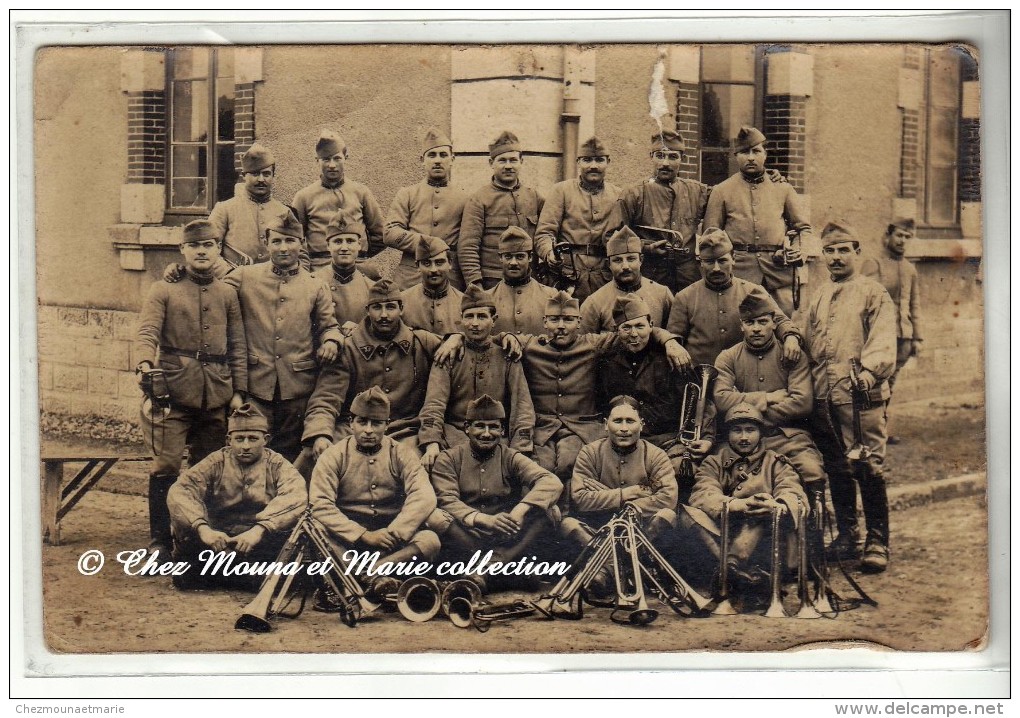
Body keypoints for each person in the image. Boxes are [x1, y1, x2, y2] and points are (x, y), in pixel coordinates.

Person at [134, 219, 248, 563]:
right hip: (171, 390)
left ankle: (196, 539)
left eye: (209, 245)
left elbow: (238, 345)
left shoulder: (227, 292)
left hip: (215, 392)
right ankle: (160, 541)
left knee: (207, 468)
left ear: (218, 250)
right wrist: (143, 364)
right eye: (195, 245)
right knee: (165, 466)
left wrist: (239, 391)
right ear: (182, 250)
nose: (202, 251)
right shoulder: (163, 289)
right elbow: (147, 332)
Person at [515, 291, 689, 492]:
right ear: (544, 322)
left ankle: (570, 515)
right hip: (543, 427)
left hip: (579, 427)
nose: (561, 326)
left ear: (579, 322)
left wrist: (670, 341)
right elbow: (495, 337)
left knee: (570, 465)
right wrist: (508, 337)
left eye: (568, 320)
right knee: (537, 468)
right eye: (554, 320)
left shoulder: (593, 344)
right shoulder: (529, 344)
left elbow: (638, 330)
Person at [804, 221, 897, 572]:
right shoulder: (819, 295)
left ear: (857, 253)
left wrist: (871, 372)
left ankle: (877, 541)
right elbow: (809, 341)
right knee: (837, 467)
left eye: (844, 250)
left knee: (867, 465)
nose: (836, 257)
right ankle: (847, 535)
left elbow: (884, 340)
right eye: (830, 250)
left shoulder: (873, 292)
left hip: (860, 397)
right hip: (825, 397)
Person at [222, 210, 342, 463]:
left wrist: (332, 341)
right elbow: (211, 292)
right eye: (276, 241)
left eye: (290, 240)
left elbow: (329, 325)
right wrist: (178, 272)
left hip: (297, 387)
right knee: (251, 455)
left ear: (302, 244)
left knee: (288, 458)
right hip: (256, 386)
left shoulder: (314, 285)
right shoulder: (244, 277)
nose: (284, 248)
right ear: (266, 244)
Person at [300, 279, 445, 472]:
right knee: (317, 456)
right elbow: (326, 398)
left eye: (390, 307)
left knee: (419, 466)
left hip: (405, 429)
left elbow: (467, 347)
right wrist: (321, 434)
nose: (384, 315)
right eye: (377, 307)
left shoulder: (422, 342)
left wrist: (455, 338)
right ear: (367, 310)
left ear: (401, 309)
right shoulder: (349, 348)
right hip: (355, 428)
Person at [309, 387, 440, 597]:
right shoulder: (333, 456)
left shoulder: (402, 453)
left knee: (430, 539)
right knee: (317, 529)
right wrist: (363, 535)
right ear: (351, 423)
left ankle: (367, 575)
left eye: (376, 423)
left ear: (387, 425)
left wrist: (393, 533)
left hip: (389, 540)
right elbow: (320, 504)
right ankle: (374, 578)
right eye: (362, 422)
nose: (368, 430)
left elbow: (423, 496)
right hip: (348, 539)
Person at [427, 395, 562, 591]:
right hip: (468, 535)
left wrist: (519, 510)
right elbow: (446, 499)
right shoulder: (449, 458)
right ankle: (505, 569)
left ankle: (486, 569)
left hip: (505, 535)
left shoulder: (511, 457)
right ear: (467, 428)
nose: (487, 433)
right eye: (480, 426)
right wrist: (481, 519)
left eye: (493, 427)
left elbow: (551, 482)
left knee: (551, 511)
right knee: (436, 517)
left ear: (502, 430)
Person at [167, 404, 307, 590]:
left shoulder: (278, 465)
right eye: (239, 439)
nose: (246, 446)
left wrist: (259, 530)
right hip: (217, 540)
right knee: (186, 578)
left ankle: (234, 575)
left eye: (253, 439)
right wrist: (204, 529)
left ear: (265, 439)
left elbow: (296, 495)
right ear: (228, 440)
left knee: (285, 577)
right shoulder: (215, 462)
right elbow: (181, 491)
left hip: (257, 540)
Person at [595, 296, 714, 500]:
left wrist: (708, 437)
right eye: (626, 328)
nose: (634, 334)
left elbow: (699, 401)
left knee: (679, 473)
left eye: (640, 326)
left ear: (651, 325)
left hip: (668, 440)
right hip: (625, 441)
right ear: (616, 332)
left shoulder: (672, 356)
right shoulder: (606, 361)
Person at [683, 403, 808, 597]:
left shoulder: (775, 462)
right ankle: (738, 572)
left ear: (760, 433)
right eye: (736, 430)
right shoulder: (714, 462)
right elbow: (702, 493)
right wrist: (735, 505)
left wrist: (777, 506)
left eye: (750, 430)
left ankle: (729, 570)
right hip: (723, 534)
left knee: (761, 505)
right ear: (727, 434)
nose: (743, 437)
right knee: (687, 513)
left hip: (764, 541)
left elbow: (793, 492)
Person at [713, 292, 826, 491]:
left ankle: (811, 520)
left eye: (762, 322)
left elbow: (801, 403)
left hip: (787, 437)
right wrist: (768, 397)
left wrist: (743, 410)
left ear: (774, 323)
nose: (756, 329)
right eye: (749, 323)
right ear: (741, 326)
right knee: (719, 475)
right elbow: (722, 399)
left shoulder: (792, 355)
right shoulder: (728, 358)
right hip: (740, 441)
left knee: (811, 470)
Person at [418, 285, 536, 470]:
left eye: (481, 317)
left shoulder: (507, 355)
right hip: (455, 435)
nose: (475, 323)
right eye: (469, 317)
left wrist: (520, 450)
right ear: (461, 320)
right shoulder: (448, 354)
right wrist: (431, 442)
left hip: (496, 437)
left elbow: (522, 408)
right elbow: (434, 404)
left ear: (494, 320)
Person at [702, 126, 813, 316]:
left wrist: (798, 250)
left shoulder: (783, 188)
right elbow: (711, 235)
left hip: (778, 272)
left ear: (765, 154)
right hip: (739, 272)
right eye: (744, 152)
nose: (751, 157)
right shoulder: (722, 190)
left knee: (784, 324)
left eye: (756, 151)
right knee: (739, 324)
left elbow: (804, 228)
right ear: (736, 156)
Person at [666, 228, 803, 368]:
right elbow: (674, 337)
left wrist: (791, 337)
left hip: (742, 375)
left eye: (722, 260)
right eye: (709, 262)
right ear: (700, 262)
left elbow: (780, 320)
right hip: (699, 376)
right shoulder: (685, 297)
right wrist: (672, 344)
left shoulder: (752, 291)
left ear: (733, 259)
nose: (716, 268)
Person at [566, 395, 679, 551]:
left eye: (630, 421)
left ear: (641, 425)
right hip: (599, 528)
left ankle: (619, 561)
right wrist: (627, 493)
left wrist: (609, 497)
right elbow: (580, 499)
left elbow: (668, 498)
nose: (624, 428)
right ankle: (615, 563)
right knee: (568, 524)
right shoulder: (590, 453)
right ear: (606, 424)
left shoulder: (656, 456)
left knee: (667, 515)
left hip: (642, 530)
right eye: (618, 421)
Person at [609, 129, 709, 294]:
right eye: (660, 156)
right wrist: (645, 247)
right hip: (650, 273)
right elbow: (613, 237)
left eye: (673, 157)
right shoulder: (634, 193)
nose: (665, 163)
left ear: (682, 159)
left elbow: (726, 199)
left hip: (688, 276)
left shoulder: (697, 191)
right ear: (651, 156)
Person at [534, 136, 621, 302]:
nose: (593, 166)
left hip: (604, 276)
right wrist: (549, 253)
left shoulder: (618, 195)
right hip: (567, 275)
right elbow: (544, 233)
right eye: (587, 160)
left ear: (608, 162)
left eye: (599, 160)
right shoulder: (561, 191)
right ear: (578, 162)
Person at [861, 217, 924, 444]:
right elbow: (864, 300)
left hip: (903, 337)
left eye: (907, 237)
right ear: (888, 236)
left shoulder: (909, 269)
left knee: (890, 384)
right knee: (876, 383)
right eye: (899, 235)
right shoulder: (874, 263)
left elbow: (914, 304)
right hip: (880, 336)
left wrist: (917, 336)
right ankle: (869, 433)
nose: (902, 241)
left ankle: (881, 430)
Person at [458, 130, 544, 290]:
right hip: (493, 281)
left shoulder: (534, 197)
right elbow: (468, 246)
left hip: (529, 281)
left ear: (521, 161)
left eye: (513, 160)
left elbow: (546, 235)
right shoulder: (479, 199)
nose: (508, 166)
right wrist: (476, 284)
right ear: (491, 163)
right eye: (502, 160)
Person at [384, 127, 468, 290]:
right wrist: (426, 243)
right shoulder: (407, 194)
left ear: (452, 158)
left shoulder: (465, 198)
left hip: (449, 277)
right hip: (410, 277)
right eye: (432, 155)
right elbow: (390, 233)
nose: (437, 160)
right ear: (422, 160)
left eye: (443, 155)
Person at [291, 129, 385, 274]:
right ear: (317, 160)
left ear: (345, 157)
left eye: (337, 158)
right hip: (320, 267)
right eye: (326, 159)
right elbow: (294, 237)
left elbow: (380, 234)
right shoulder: (304, 196)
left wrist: (358, 254)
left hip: (358, 266)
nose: (332, 165)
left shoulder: (361, 192)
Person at [205, 143, 296, 277]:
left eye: (266, 174)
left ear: (273, 176)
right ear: (244, 175)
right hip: (234, 284)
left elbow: (297, 253)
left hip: (273, 285)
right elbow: (209, 249)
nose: (261, 179)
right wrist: (231, 275)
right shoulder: (224, 209)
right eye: (254, 173)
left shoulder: (284, 212)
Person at [578, 226, 674, 334]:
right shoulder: (595, 302)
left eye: (631, 259)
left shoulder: (662, 294)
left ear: (641, 260)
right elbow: (584, 343)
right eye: (617, 260)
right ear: (608, 264)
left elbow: (674, 336)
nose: (625, 266)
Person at [309, 210, 375, 330]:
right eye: (338, 241)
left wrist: (360, 330)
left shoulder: (371, 287)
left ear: (359, 244)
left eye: (350, 241)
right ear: (328, 246)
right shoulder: (312, 282)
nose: (344, 247)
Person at [487, 226, 556, 336]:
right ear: (500, 258)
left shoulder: (551, 296)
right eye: (508, 256)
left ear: (530, 257)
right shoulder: (487, 298)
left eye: (520, 257)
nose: (513, 262)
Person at [398, 235, 464, 335]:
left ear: (450, 263)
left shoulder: (463, 302)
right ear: (417, 266)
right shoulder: (402, 301)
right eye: (427, 263)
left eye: (439, 263)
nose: (433, 270)